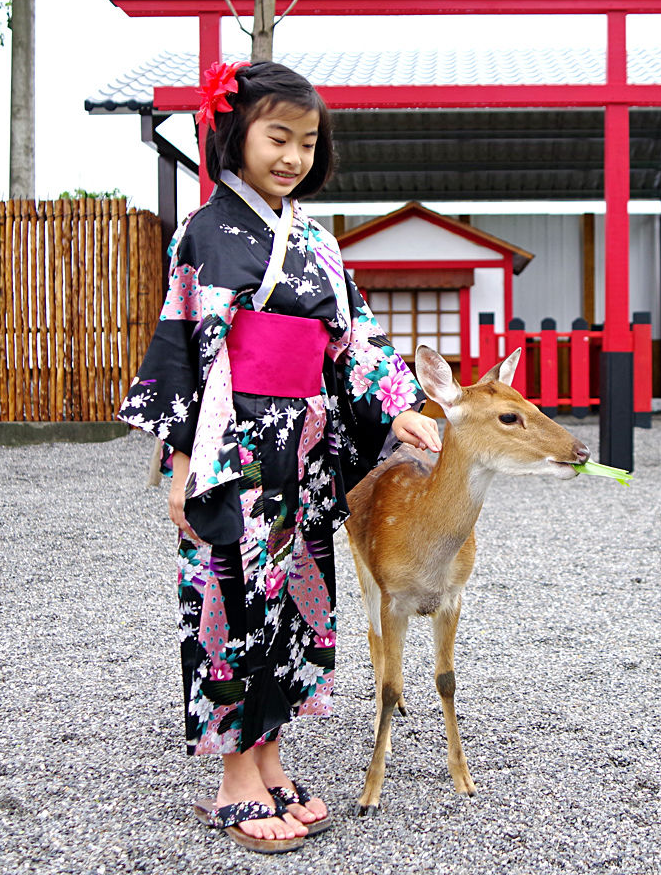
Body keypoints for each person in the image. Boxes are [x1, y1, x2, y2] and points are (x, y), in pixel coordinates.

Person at [117, 60, 441, 853]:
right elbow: (185, 346)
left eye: (306, 141)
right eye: (276, 137)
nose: (292, 156)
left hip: (300, 448)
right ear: (236, 135)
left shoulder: (319, 243)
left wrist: (400, 407)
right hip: (231, 444)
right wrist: (180, 457)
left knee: (291, 606)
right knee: (230, 604)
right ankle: (232, 779)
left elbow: (353, 340)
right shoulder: (205, 233)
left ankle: (271, 762)